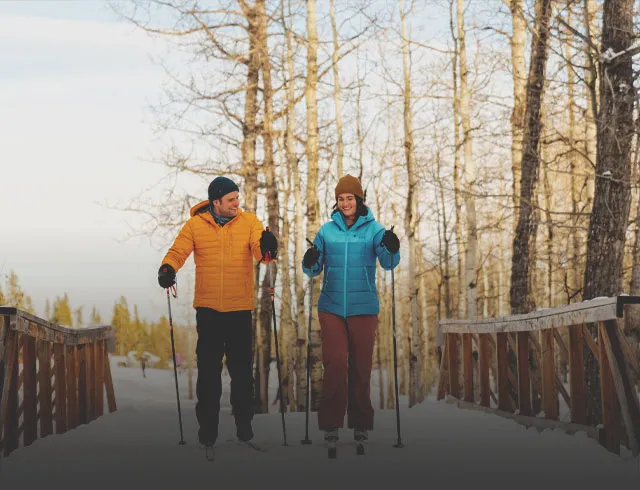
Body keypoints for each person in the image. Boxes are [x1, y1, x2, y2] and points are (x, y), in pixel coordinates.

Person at [157, 176, 277, 449]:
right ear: (216, 202)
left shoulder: (249, 223)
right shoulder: (196, 225)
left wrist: (269, 246)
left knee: (242, 372)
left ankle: (244, 426)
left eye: (238, 198)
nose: (237, 203)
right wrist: (168, 268)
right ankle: (207, 430)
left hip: (239, 309)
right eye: (232, 199)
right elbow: (178, 251)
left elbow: (263, 253)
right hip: (209, 310)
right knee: (208, 372)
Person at [302, 174, 400, 445]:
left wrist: (392, 247)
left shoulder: (374, 229)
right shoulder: (327, 231)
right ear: (336, 202)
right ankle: (331, 422)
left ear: (359, 199)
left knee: (361, 366)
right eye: (340, 199)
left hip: (363, 307)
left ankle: (360, 423)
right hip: (331, 306)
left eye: (350, 198)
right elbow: (312, 268)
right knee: (334, 363)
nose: (345, 203)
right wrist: (309, 259)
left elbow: (389, 262)